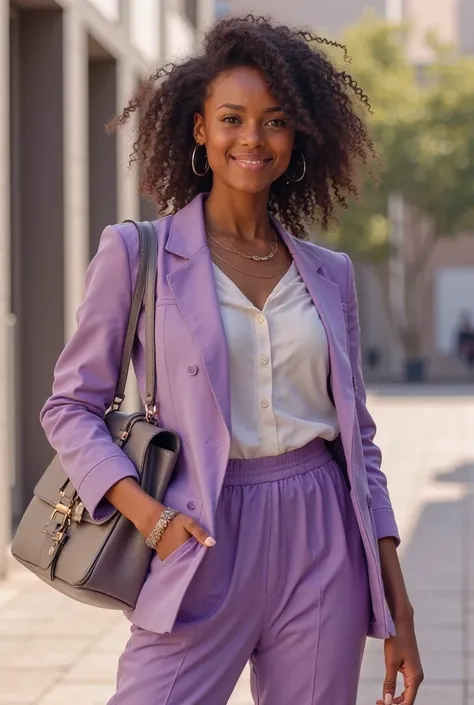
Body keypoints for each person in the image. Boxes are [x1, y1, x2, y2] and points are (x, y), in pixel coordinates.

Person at [40, 15, 423, 705]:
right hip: (198, 535)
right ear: (199, 129)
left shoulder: (328, 274)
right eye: (232, 118)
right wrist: (151, 520)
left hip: (321, 539)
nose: (252, 137)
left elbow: (359, 447)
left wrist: (399, 606)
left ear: (296, 136)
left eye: (274, 121)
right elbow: (69, 406)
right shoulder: (138, 253)